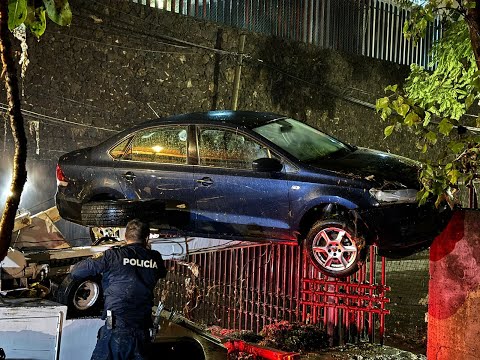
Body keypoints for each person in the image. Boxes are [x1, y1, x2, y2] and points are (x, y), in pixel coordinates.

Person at [70, 219, 167, 360]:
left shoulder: (113, 255)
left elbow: (77, 271)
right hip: (143, 333)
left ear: (125, 237)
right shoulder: (155, 258)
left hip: (117, 332)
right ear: (146, 238)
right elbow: (161, 273)